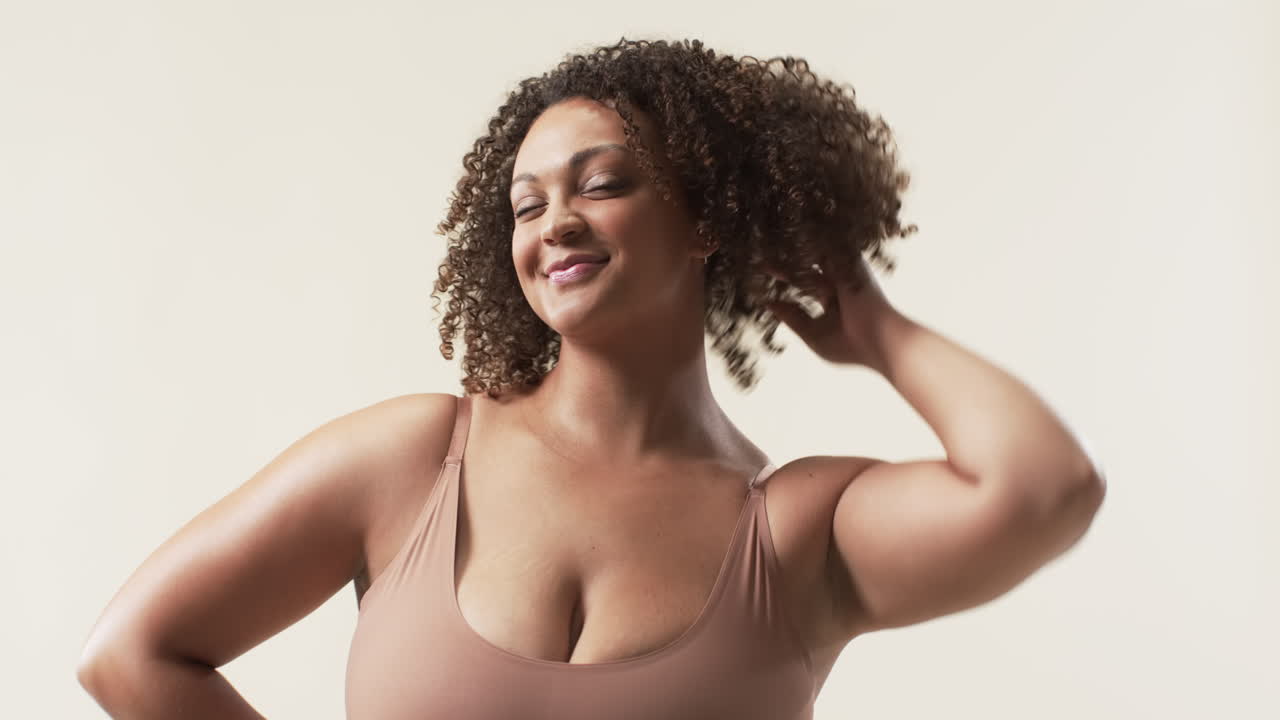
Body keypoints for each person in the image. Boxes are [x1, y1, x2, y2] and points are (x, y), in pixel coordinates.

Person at [76, 38, 1106, 719]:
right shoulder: (413, 463)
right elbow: (132, 652)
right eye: (525, 205)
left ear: (707, 219)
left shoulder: (791, 530)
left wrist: (875, 329)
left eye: (602, 183)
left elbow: (1044, 488)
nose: (554, 223)